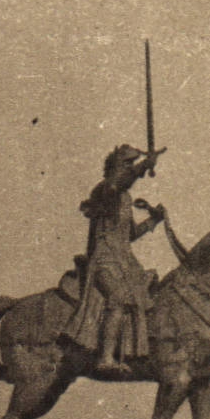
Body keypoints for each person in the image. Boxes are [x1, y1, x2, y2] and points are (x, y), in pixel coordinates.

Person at [62, 144, 165, 373]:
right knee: (118, 298)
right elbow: (120, 182)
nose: (129, 168)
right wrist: (144, 166)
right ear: (115, 167)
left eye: (131, 164)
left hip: (124, 262)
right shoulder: (105, 189)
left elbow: (131, 234)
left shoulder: (125, 197)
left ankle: (130, 351)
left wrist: (153, 220)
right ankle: (105, 358)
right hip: (103, 261)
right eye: (126, 164)